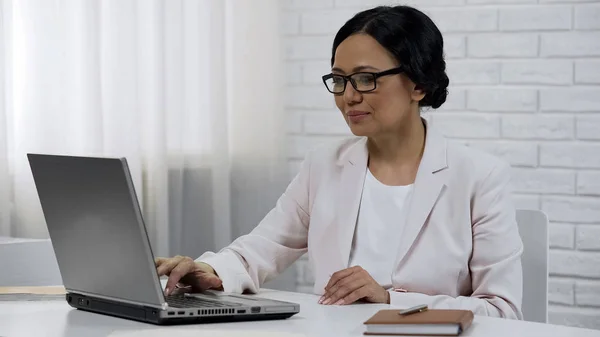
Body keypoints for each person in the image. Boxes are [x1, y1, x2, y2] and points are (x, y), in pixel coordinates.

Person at [155, 5, 524, 319]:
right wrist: (211, 270)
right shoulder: (323, 165)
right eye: (339, 79)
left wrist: (391, 300)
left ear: (419, 84)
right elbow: (262, 248)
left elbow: (502, 309)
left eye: (366, 79)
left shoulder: (479, 176)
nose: (348, 96)